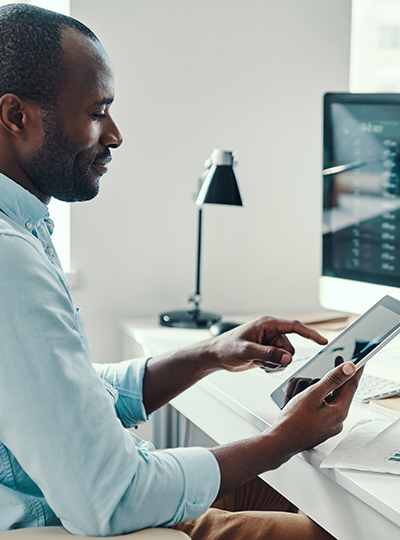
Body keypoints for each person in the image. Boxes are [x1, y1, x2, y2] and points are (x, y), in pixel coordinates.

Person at [0, 4, 361, 539]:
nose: (116, 134)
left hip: (79, 493)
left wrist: (208, 354)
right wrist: (285, 437)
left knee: (295, 496)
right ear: (15, 115)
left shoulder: (23, 225)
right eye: (98, 111)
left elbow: (60, 390)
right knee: (341, 529)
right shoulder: (10, 262)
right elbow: (112, 498)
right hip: (70, 519)